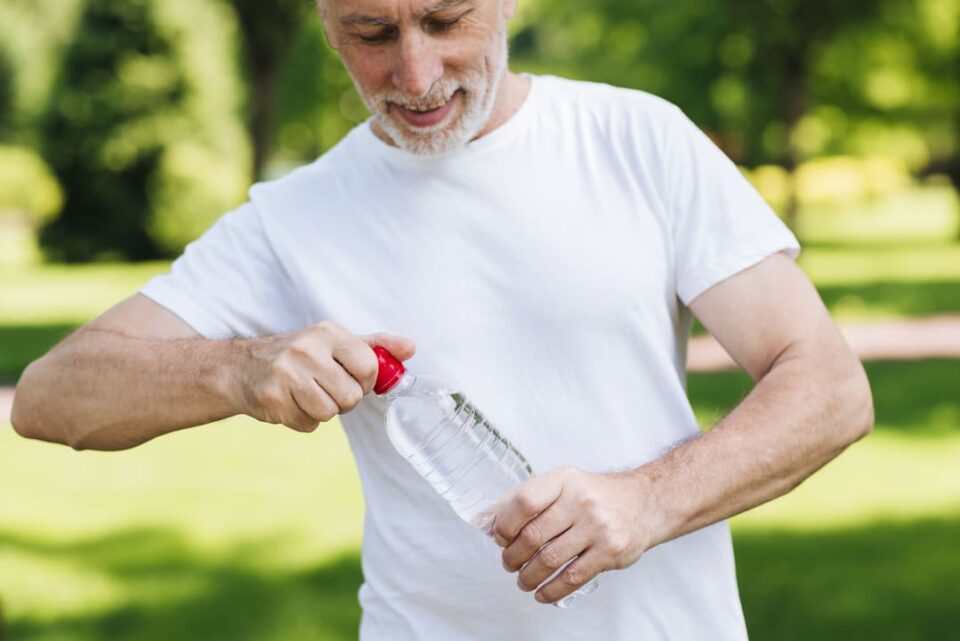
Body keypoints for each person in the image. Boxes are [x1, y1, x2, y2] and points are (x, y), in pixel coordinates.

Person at [11, 0, 874, 638]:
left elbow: (829, 386)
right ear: (324, 22)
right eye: (371, 35)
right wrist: (235, 369)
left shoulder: (636, 140)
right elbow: (51, 398)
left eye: (444, 20)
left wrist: (647, 501)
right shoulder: (294, 219)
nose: (415, 77)